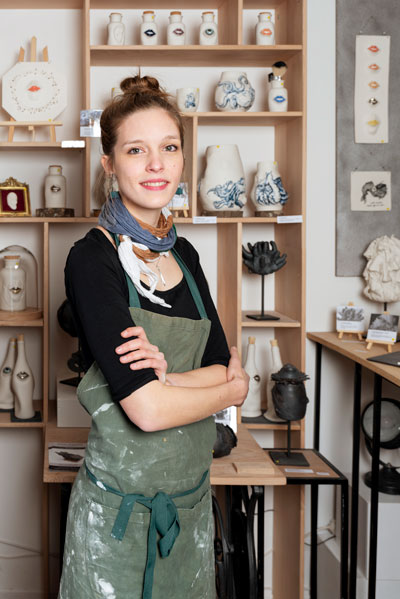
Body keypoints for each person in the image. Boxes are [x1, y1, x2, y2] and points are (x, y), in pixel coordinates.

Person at [58, 75, 249, 599]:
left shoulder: (185, 256)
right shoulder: (92, 259)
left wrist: (170, 379)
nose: (156, 164)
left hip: (191, 510)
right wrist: (231, 392)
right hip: (115, 525)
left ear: (183, 158)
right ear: (109, 163)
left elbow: (216, 362)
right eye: (136, 150)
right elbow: (146, 410)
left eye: (168, 148)